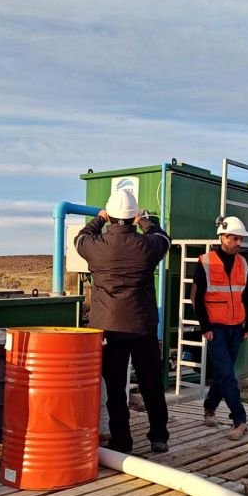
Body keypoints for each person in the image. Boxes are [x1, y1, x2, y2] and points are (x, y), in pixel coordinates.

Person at [74, 189, 171, 454]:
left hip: (108, 328)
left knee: (116, 388)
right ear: (132, 216)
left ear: (110, 215)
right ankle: (159, 436)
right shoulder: (147, 246)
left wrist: (98, 219)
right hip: (142, 327)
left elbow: (80, 238)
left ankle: (122, 441)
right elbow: (163, 238)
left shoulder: (95, 246)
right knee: (151, 382)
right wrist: (145, 221)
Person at [192, 216, 248, 440]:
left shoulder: (242, 263)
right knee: (228, 375)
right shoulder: (206, 261)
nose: (238, 243)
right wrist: (205, 326)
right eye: (234, 238)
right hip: (215, 327)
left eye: (240, 239)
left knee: (223, 373)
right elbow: (197, 298)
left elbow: (247, 295)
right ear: (222, 237)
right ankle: (240, 420)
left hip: (236, 327)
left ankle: (209, 408)